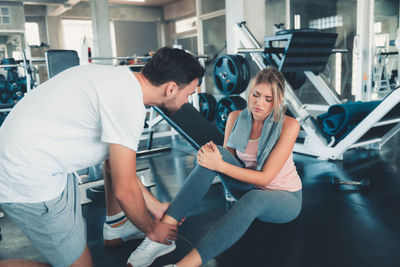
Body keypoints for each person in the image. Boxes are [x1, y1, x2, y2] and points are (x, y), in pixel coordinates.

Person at [0, 47, 204, 267]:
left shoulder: (121, 79)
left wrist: (154, 206)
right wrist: (153, 230)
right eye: (189, 94)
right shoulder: (128, 105)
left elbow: (114, 166)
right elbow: (124, 191)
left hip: (40, 161)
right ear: (171, 88)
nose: (187, 101)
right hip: (27, 179)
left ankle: (118, 226)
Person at [127, 67, 303, 267]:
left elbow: (265, 178)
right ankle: (161, 237)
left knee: (252, 195)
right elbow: (226, 160)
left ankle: (185, 265)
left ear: (277, 101)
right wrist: (211, 159)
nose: (259, 103)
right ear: (250, 93)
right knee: (215, 152)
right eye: (256, 95)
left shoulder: (289, 125)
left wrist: (219, 163)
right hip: (247, 188)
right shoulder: (236, 117)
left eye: (268, 99)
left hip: (285, 197)